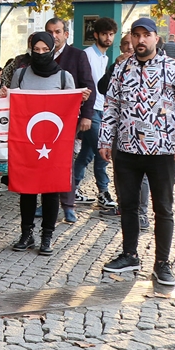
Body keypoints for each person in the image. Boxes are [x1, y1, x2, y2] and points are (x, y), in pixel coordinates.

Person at [99, 18, 175, 286]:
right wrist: (105, 140)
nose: (141, 41)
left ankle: (162, 263)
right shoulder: (122, 69)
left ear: (156, 38)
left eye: (146, 35)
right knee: (127, 205)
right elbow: (110, 107)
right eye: (136, 35)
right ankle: (130, 254)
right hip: (127, 150)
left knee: (163, 208)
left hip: (162, 151)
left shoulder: (174, 68)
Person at [3, 32, 84, 256]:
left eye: (44, 50)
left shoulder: (63, 77)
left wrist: (81, 99)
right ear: (30, 49)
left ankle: (47, 235)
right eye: (35, 50)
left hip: (54, 144)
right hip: (27, 142)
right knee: (26, 189)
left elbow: (71, 110)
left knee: (50, 190)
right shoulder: (20, 74)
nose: (40, 54)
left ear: (51, 50)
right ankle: (26, 233)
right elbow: (12, 106)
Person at [41, 17, 97, 221]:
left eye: (57, 32)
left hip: (68, 119)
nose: (53, 36)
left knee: (64, 162)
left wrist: (87, 115)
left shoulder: (77, 56)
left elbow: (89, 87)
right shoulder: (39, 54)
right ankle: (46, 202)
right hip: (43, 118)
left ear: (66, 34)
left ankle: (68, 205)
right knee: (44, 159)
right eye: (50, 32)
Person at [96, 33, 151, 227]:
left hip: (143, 130)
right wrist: (115, 69)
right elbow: (102, 87)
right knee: (120, 170)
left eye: (131, 43)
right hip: (119, 129)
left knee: (142, 173)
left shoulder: (146, 65)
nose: (129, 47)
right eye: (125, 44)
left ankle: (142, 213)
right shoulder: (118, 67)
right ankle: (122, 205)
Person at [71, 17, 118, 213]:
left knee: (87, 153)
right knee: (101, 151)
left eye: (111, 34)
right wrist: (85, 113)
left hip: (102, 109)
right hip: (90, 111)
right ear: (96, 35)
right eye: (105, 34)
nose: (108, 38)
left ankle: (70, 189)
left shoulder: (105, 58)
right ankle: (103, 192)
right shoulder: (88, 55)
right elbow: (86, 84)